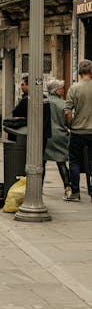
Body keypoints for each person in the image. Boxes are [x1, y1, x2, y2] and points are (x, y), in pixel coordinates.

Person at [63, 59, 92, 202]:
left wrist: (70, 125)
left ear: (79, 72)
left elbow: (67, 111)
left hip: (77, 132)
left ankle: (75, 192)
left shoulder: (74, 88)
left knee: (74, 161)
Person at [43, 79, 70, 194]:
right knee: (61, 161)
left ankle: (39, 187)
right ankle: (67, 187)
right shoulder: (63, 104)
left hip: (45, 136)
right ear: (55, 91)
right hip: (60, 135)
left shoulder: (43, 102)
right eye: (61, 88)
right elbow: (68, 121)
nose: (63, 91)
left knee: (42, 162)